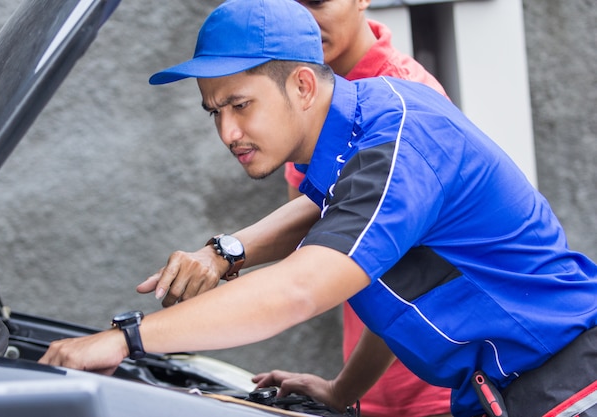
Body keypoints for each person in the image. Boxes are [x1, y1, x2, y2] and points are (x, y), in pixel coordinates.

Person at [38, 1, 597, 416]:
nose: (228, 131)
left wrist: (124, 339)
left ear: (303, 85)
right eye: (214, 111)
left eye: (241, 104)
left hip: (569, 391)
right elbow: (398, 288)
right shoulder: (349, 145)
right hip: (502, 396)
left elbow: (299, 288)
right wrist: (342, 391)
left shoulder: (395, 141)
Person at [276, 1, 452, 416]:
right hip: (371, 388)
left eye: (317, 1)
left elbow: (404, 275)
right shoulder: (308, 97)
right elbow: (308, 237)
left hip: (443, 388)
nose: (304, 18)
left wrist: (342, 389)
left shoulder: (409, 97)